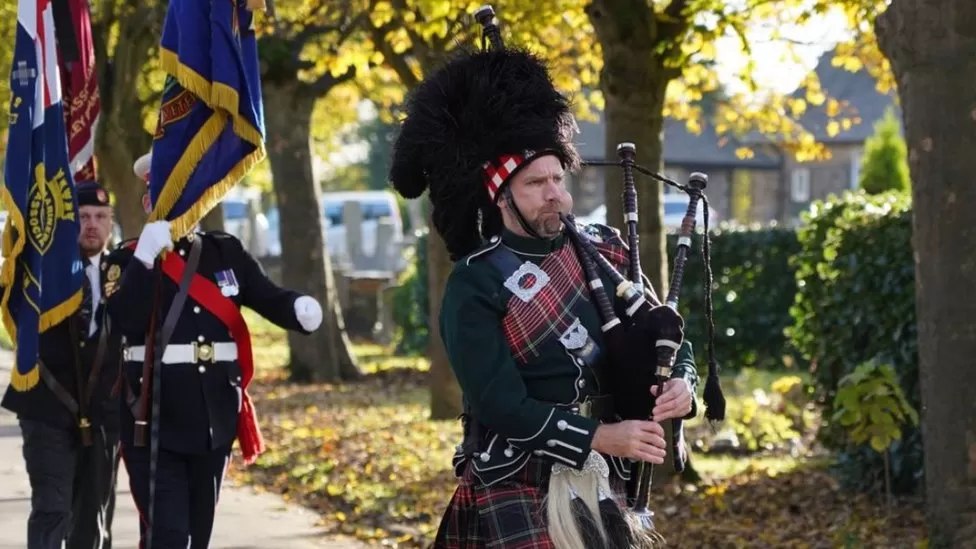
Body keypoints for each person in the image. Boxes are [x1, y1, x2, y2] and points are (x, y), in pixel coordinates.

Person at [388, 24, 701, 549]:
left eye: (558, 178)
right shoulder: (476, 281)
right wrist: (601, 436)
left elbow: (665, 335)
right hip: (516, 475)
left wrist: (682, 385)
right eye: (535, 183)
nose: (554, 193)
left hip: (604, 474)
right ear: (501, 198)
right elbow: (500, 404)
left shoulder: (606, 250)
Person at [103, 152, 324, 548]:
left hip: (213, 416)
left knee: (197, 534)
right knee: (169, 535)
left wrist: (295, 309)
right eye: (167, 196)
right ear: (148, 202)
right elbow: (125, 319)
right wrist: (144, 259)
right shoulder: (126, 259)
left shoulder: (224, 252)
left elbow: (265, 295)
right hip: (153, 416)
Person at [2, 181, 124, 548]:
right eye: (83, 216)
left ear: (111, 222)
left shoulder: (127, 271)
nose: (92, 225)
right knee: (52, 508)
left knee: (93, 517)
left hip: (103, 413)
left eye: (100, 217)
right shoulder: (41, 269)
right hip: (47, 407)